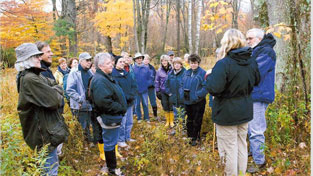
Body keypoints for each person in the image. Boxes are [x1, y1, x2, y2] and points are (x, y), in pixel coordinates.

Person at [198, 29, 260, 176]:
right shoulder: (251, 61)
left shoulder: (224, 64)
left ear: (226, 43)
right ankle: (240, 173)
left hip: (227, 112)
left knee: (229, 148)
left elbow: (214, 88)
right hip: (244, 109)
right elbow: (256, 80)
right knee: (241, 145)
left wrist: (209, 76)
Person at [15, 43, 69, 176]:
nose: (40, 58)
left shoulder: (34, 76)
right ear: (27, 60)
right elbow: (55, 100)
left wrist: (54, 89)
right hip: (43, 134)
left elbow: (54, 85)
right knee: (50, 171)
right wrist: (56, 90)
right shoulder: (30, 79)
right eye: (36, 56)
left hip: (45, 131)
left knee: (50, 167)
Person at [90, 53, 127, 175]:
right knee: (110, 143)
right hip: (109, 117)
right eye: (108, 63)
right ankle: (112, 170)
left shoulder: (105, 77)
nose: (112, 64)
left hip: (112, 117)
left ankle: (112, 167)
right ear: (100, 66)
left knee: (111, 142)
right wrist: (121, 108)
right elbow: (104, 102)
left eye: (111, 62)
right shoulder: (100, 80)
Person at [246, 28, 276, 173]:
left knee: (256, 130)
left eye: (250, 38)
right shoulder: (256, 50)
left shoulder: (266, 51)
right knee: (250, 128)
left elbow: (255, 72)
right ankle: (254, 152)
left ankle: (259, 162)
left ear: (259, 38)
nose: (247, 41)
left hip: (259, 95)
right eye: (247, 38)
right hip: (252, 95)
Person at [66, 52, 93, 143]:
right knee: (81, 126)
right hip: (79, 105)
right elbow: (69, 90)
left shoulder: (90, 72)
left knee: (88, 124)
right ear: (81, 61)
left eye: (90, 60)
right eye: (87, 60)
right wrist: (80, 99)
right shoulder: (74, 73)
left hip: (90, 104)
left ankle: (88, 142)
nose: (89, 62)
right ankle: (82, 146)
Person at [180, 54, 206, 146]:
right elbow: (181, 84)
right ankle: (189, 136)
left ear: (198, 63)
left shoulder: (203, 73)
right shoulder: (186, 72)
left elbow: (206, 87)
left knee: (197, 120)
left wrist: (197, 95)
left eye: (195, 63)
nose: (193, 65)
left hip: (198, 101)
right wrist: (181, 93)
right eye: (191, 63)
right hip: (187, 101)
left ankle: (195, 137)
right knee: (189, 119)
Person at [112, 56, 137, 148]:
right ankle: (120, 140)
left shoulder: (127, 73)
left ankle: (127, 137)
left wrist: (131, 95)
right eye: (120, 62)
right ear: (115, 63)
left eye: (123, 62)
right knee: (122, 122)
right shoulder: (113, 74)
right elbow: (116, 89)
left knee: (129, 121)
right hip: (121, 103)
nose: (122, 63)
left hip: (130, 102)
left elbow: (134, 85)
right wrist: (125, 97)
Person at [165, 57, 186, 121]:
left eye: (178, 63)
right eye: (175, 64)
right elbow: (166, 84)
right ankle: (176, 128)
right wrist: (169, 93)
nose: (176, 65)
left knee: (182, 114)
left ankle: (183, 129)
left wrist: (184, 94)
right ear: (173, 65)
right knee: (175, 114)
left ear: (181, 65)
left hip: (182, 99)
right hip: (173, 98)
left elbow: (187, 85)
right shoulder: (170, 74)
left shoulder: (185, 73)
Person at [155, 55, 173, 127]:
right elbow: (157, 81)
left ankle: (171, 121)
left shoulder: (172, 69)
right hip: (163, 91)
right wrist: (157, 91)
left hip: (171, 91)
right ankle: (167, 121)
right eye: (162, 61)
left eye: (165, 60)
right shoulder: (159, 71)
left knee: (171, 105)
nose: (164, 62)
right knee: (165, 106)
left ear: (168, 61)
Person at [132, 53, 151, 122]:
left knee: (145, 104)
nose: (139, 59)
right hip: (136, 90)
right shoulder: (133, 68)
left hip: (144, 90)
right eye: (137, 58)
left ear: (142, 59)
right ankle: (139, 117)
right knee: (137, 105)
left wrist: (147, 85)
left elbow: (150, 78)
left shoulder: (146, 68)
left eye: (140, 58)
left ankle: (146, 117)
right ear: (135, 60)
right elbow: (131, 79)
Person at [143, 54, 159, 121]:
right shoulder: (140, 68)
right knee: (145, 102)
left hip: (151, 87)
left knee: (153, 101)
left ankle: (155, 115)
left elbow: (155, 77)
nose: (146, 60)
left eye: (147, 59)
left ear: (149, 60)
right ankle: (146, 117)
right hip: (143, 88)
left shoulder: (152, 68)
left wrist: (153, 83)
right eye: (144, 59)